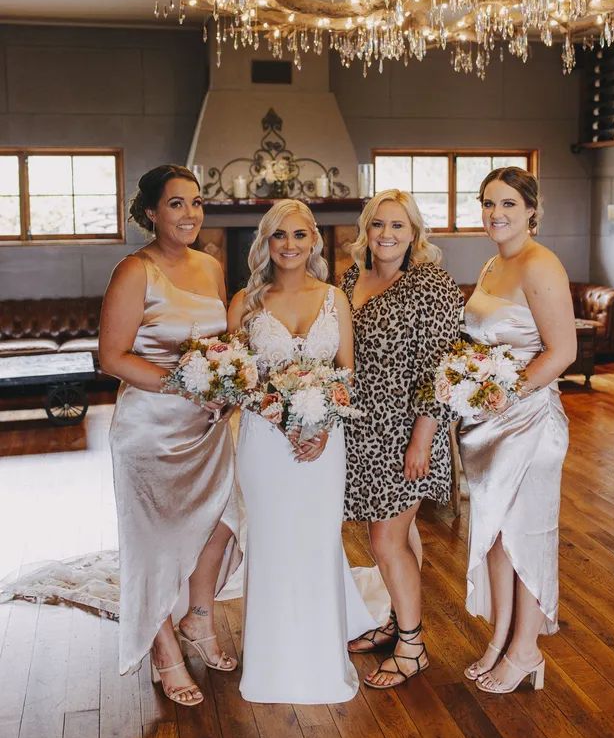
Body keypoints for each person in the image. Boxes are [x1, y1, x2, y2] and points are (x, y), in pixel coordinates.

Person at [227, 199, 385, 704]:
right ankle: (271, 662)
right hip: (263, 442)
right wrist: (278, 414)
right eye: (279, 236)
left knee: (317, 540)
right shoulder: (246, 302)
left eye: (299, 235)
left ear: (315, 240)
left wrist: (320, 424)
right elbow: (234, 376)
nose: (289, 245)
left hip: (325, 440)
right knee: (272, 541)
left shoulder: (334, 298)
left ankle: (320, 658)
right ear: (266, 243)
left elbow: (347, 372)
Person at [99, 165, 241, 706]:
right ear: (152, 212)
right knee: (152, 541)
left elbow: (221, 347)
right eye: (176, 204)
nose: (189, 214)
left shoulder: (209, 266)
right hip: (150, 430)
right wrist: (182, 386)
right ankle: (163, 648)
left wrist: (228, 384)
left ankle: (198, 617)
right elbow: (112, 356)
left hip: (206, 426)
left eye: (197, 203)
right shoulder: (134, 271)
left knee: (227, 517)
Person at [459, 166, 576, 695]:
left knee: (525, 535)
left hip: (528, 421)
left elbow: (563, 352)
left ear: (531, 208)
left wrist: (507, 392)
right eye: (487, 204)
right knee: (497, 538)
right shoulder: (491, 264)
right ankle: (501, 637)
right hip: (488, 425)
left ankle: (527, 650)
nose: (495, 214)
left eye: (507, 203)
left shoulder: (540, 264)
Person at [341, 189, 462, 689]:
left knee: (386, 539)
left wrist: (422, 440)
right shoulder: (351, 278)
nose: (386, 235)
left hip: (408, 430)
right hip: (360, 429)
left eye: (397, 226)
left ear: (414, 233)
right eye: (378, 225)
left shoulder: (430, 284)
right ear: (365, 231)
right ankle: (395, 621)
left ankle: (413, 647)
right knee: (395, 538)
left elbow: (442, 372)